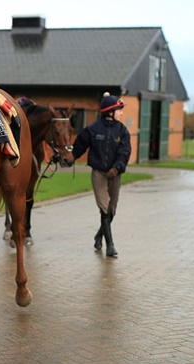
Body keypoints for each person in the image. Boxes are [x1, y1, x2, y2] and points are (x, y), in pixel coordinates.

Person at [72, 92, 132, 257]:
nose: (121, 113)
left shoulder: (123, 132)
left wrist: (117, 168)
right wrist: (71, 157)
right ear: (110, 112)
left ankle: (99, 235)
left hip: (115, 174)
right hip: (98, 173)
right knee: (104, 208)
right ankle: (110, 245)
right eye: (119, 110)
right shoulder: (93, 129)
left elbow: (125, 152)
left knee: (112, 209)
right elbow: (79, 146)